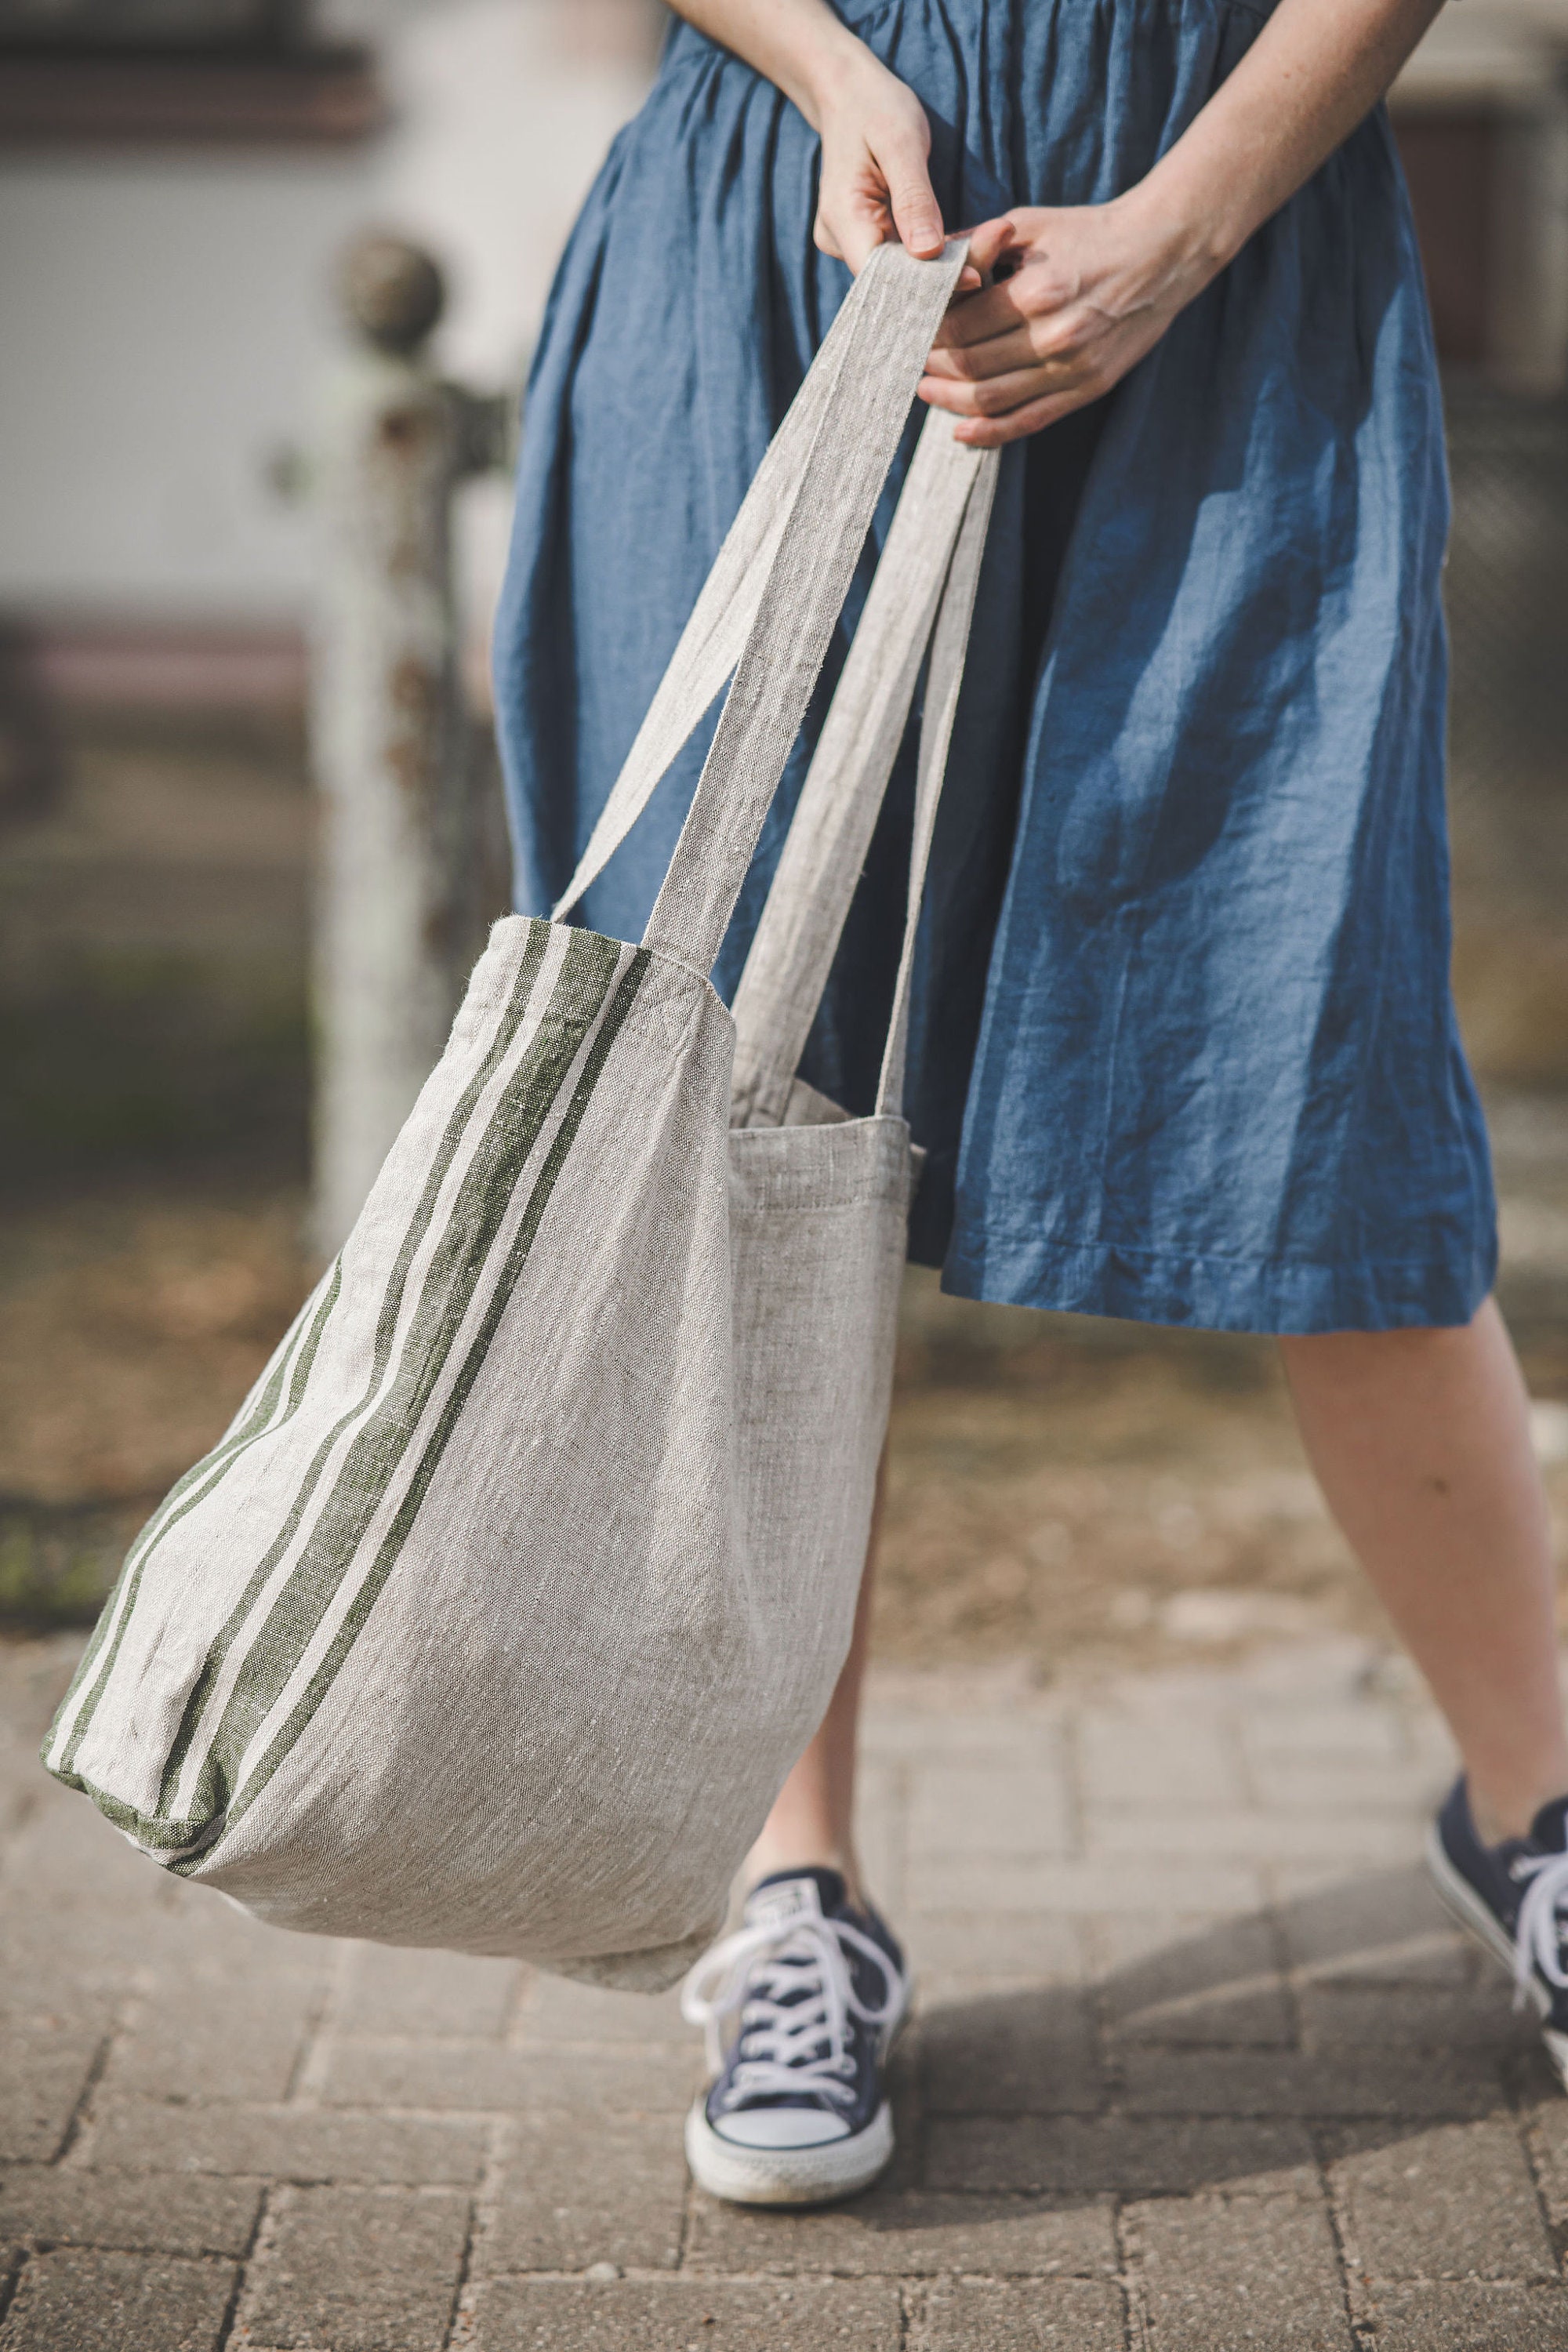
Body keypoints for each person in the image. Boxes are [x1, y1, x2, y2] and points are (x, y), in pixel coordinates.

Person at [491, 0, 1566, 2208]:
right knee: (745, 1082)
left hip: (1229, 251)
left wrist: (1181, 223)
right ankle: (798, 1900)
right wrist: (827, 68)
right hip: (787, 241)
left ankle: (1542, 1815)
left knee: (1315, 1051)